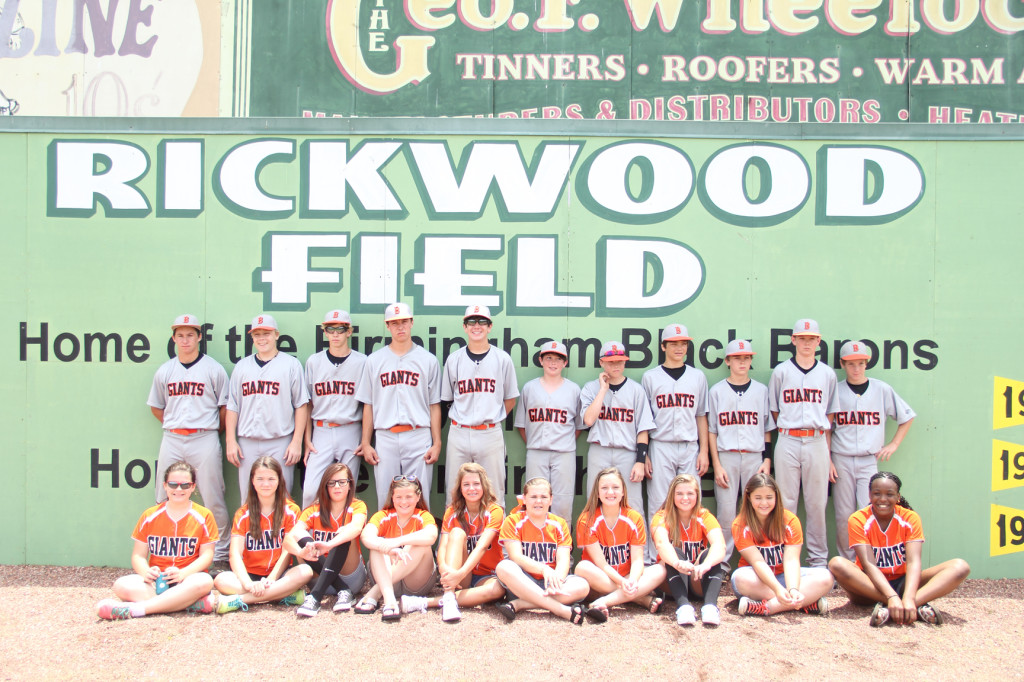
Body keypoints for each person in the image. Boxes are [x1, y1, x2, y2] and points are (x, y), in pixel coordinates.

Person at [828, 472, 969, 626]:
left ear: (898, 497)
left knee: (960, 567)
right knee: (837, 564)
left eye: (889, 494)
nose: (883, 499)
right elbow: (869, 565)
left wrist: (908, 597)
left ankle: (905, 606)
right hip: (869, 587)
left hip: (903, 583)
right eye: (877, 494)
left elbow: (913, 562)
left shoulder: (910, 518)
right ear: (869, 495)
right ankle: (898, 605)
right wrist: (891, 597)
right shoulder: (858, 519)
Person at [148, 314, 231, 568]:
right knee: (163, 495)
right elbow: (156, 407)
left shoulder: (213, 369)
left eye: (190, 335)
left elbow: (225, 407)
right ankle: (163, 552)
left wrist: (209, 431)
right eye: (180, 335)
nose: (185, 340)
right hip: (172, 437)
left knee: (212, 497)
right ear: (174, 338)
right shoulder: (166, 370)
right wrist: (176, 426)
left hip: (204, 436)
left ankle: (220, 554)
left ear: (199, 337)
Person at [95, 461, 218, 620]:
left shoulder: (204, 515)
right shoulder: (149, 515)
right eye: (173, 484)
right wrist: (146, 572)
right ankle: (189, 604)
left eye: (185, 485)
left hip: (188, 579)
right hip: (157, 582)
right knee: (120, 585)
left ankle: (136, 610)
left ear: (193, 487)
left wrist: (183, 573)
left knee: (204, 581)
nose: (178, 489)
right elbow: (138, 556)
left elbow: (207, 556)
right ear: (165, 486)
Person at [831, 341, 915, 560]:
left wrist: (893, 444)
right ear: (843, 364)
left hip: (869, 459)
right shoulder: (836, 390)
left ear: (866, 363)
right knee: (843, 515)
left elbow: (907, 417)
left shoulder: (881, 389)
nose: (856, 368)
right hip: (841, 458)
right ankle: (849, 564)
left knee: (871, 510)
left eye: (860, 363)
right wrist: (828, 459)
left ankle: (870, 561)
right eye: (851, 364)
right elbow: (827, 429)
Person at [355, 303, 442, 509]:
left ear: (411, 322)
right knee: (385, 500)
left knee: (420, 500)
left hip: (418, 434)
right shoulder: (374, 361)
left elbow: (434, 405)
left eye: (404, 321)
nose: (400, 327)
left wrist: (437, 442)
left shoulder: (428, 360)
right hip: (385, 436)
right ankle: (386, 542)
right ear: (388, 326)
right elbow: (369, 404)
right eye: (394, 323)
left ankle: (421, 542)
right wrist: (366, 442)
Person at [767, 318, 838, 567]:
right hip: (787, 438)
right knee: (785, 503)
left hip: (817, 440)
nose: (807, 343)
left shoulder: (827, 374)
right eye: (802, 338)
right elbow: (774, 410)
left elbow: (830, 414)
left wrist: (827, 453)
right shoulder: (781, 371)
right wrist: (790, 427)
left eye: (811, 338)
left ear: (818, 341)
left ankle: (818, 561)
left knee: (817, 503)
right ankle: (787, 558)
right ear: (793, 340)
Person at [401, 463, 505, 622]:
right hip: (459, 574)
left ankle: (428, 602)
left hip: (486, 574)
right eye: (466, 484)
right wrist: (445, 571)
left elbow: (482, 547)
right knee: (456, 533)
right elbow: (442, 548)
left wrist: (459, 575)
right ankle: (449, 596)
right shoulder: (452, 511)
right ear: (460, 488)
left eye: (476, 484)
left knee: (498, 589)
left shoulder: (494, 511)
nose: (472, 489)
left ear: (484, 486)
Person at [641, 323, 709, 562]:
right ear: (663, 346)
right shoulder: (650, 376)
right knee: (659, 504)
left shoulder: (698, 376)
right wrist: (645, 453)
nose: (679, 348)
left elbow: (701, 415)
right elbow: (644, 419)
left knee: (690, 502)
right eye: (673, 343)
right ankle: (653, 559)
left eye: (683, 343)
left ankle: (690, 557)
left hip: (690, 446)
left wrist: (704, 451)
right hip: (660, 444)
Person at [441, 304, 519, 507]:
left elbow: (510, 398)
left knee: (494, 492)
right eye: (472, 322)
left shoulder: (502, 359)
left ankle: (494, 539)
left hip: (489, 432)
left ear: (490, 326)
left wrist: (491, 417)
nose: (477, 326)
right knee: (454, 490)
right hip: (459, 431)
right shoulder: (454, 359)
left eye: (482, 321)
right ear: (465, 327)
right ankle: (452, 537)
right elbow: (448, 398)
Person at [225, 314, 310, 498]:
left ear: (276, 335)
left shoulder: (291, 365)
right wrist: (231, 441)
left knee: (283, 498)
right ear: (252, 337)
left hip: (279, 441)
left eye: (266, 333)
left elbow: (301, 406)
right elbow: (232, 406)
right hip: (247, 443)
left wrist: (296, 442)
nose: (262, 338)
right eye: (257, 334)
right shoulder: (242, 367)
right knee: (248, 499)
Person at [708, 339, 775, 564]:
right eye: (737, 358)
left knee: (758, 509)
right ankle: (723, 563)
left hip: (754, 456)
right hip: (726, 455)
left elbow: (767, 429)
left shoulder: (761, 390)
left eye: (746, 358)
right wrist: (716, 465)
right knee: (726, 514)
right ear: (728, 361)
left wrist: (767, 459)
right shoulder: (716, 391)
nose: (742, 362)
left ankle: (760, 559)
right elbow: (712, 432)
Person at [213, 457, 308, 613]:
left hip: (279, 575)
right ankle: (280, 595)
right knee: (221, 580)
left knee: (305, 572)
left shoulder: (291, 510)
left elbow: (287, 551)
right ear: (252, 481)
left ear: (279, 481)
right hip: (250, 574)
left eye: (271, 479)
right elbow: (235, 554)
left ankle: (240, 600)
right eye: (260, 479)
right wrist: (249, 584)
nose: (266, 484)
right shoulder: (243, 513)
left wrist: (271, 579)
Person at [730, 473, 833, 617]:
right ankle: (804, 603)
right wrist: (778, 590)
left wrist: (794, 589)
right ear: (749, 497)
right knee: (739, 578)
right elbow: (758, 562)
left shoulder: (790, 520)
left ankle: (768, 607)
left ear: (776, 497)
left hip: (784, 576)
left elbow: (791, 560)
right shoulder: (740, 524)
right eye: (758, 498)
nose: (764, 503)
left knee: (826, 577)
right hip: (757, 579)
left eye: (769, 497)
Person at [574, 468, 665, 622]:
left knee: (660, 570)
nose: (610, 492)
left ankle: (602, 602)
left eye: (615, 487)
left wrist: (633, 580)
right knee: (582, 567)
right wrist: (623, 584)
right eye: (604, 488)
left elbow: (637, 560)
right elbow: (601, 564)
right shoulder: (587, 519)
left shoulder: (634, 518)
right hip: (601, 578)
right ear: (597, 492)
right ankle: (640, 599)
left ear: (623, 492)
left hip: (627, 576)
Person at [494, 477, 590, 624]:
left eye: (543, 497)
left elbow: (563, 560)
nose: (538, 501)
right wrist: (544, 569)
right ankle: (560, 609)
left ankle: (520, 604)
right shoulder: (513, 521)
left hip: (551, 585)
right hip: (522, 583)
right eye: (533, 497)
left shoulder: (560, 523)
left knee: (583, 586)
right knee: (504, 567)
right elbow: (516, 557)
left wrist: (557, 580)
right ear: (524, 499)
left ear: (550, 500)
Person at [580, 341, 655, 512]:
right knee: (594, 503)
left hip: (627, 453)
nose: (616, 365)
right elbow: (589, 420)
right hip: (600, 450)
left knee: (633, 504)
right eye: (611, 361)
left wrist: (640, 461)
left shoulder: (636, 390)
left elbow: (642, 429)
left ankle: (637, 540)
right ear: (601, 362)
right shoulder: (591, 389)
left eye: (619, 361)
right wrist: (602, 390)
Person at [285, 463, 368, 617]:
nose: (337, 486)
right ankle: (343, 590)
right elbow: (289, 538)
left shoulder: (357, 506)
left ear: (350, 485)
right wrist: (301, 552)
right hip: (319, 577)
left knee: (344, 533)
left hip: (351, 577)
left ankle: (315, 597)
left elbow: (356, 527)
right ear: (325, 486)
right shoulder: (313, 509)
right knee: (300, 536)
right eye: (332, 482)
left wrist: (329, 545)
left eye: (342, 482)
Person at [303, 309, 366, 508]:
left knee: (347, 493)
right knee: (311, 491)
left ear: (349, 332)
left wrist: (365, 439)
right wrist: (307, 439)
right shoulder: (314, 361)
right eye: (331, 329)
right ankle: (306, 537)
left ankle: (345, 538)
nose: (336, 333)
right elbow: (307, 403)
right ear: (325, 332)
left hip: (350, 427)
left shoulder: (362, 362)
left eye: (341, 328)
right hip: (321, 429)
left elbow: (368, 405)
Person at [514, 340, 583, 521]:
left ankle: (563, 547)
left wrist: (563, 442)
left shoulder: (573, 389)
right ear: (541, 360)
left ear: (565, 362)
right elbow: (521, 425)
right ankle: (534, 544)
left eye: (558, 359)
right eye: (549, 358)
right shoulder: (530, 387)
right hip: (536, 451)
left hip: (564, 453)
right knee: (534, 500)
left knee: (563, 503)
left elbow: (578, 427)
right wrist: (535, 444)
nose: (553, 363)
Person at [358, 475, 439, 622]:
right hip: (387, 582)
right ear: (392, 497)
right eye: (399, 497)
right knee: (378, 544)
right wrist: (388, 548)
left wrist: (395, 542)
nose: (403, 502)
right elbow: (366, 536)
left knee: (419, 542)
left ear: (418, 497)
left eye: (409, 496)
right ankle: (389, 601)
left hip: (415, 584)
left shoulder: (423, 515)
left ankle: (374, 593)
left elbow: (432, 536)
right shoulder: (383, 515)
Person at [651, 474, 727, 626]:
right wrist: (677, 562)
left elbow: (720, 545)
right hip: (672, 582)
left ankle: (710, 607)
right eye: (679, 493)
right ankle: (683, 606)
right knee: (675, 552)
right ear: (672, 495)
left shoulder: (704, 515)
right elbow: (661, 544)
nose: (685, 498)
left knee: (710, 556)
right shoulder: (662, 516)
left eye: (690, 493)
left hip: (696, 577)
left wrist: (706, 564)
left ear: (697, 495)